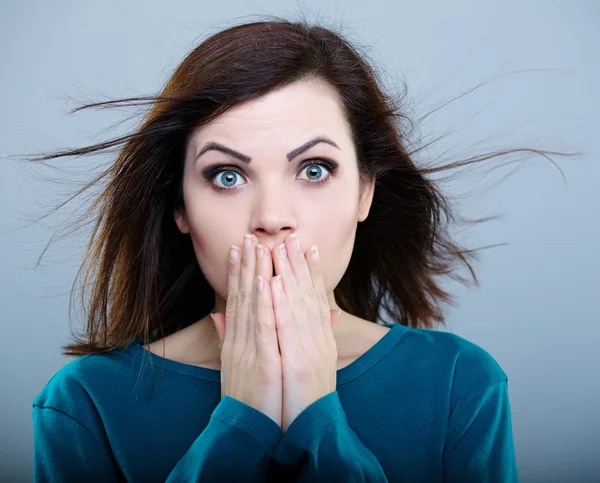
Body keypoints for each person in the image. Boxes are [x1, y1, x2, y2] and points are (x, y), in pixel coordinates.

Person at [31, 16, 524, 482]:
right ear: (179, 207)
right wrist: (243, 419)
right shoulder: (85, 403)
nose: (271, 218)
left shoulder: (460, 383)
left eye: (314, 169)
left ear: (364, 191)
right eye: (227, 176)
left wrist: (317, 417)